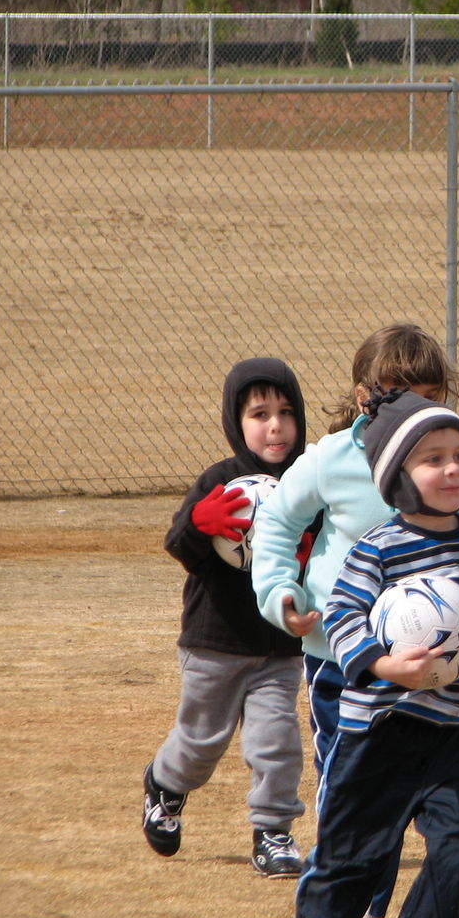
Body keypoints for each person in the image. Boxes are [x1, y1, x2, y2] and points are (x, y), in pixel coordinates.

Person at [252, 322, 459, 918]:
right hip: (340, 661)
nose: (422, 410)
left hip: (427, 674)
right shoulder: (332, 458)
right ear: (365, 395)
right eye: (402, 394)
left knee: (418, 796)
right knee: (352, 793)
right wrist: (282, 593)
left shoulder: (458, 464)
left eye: (433, 394)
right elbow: (278, 522)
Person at [142, 357, 311, 878]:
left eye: (286, 412)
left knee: (276, 742)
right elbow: (179, 545)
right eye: (259, 413)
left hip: (279, 647)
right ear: (236, 424)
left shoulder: (308, 482)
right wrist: (200, 523)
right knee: (200, 743)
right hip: (215, 642)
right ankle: (165, 786)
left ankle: (273, 833)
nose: (276, 425)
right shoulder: (220, 479)